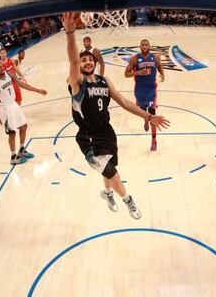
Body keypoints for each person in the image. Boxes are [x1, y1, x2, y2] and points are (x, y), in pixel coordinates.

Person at [62, 12, 170, 219]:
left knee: (109, 168)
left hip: (107, 132)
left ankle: (108, 193)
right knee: (110, 171)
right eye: (83, 60)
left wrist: (148, 117)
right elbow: (73, 63)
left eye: (89, 60)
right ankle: (128, 200)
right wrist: (70, 33)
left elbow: (125, 103)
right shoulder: (77, 83)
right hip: (88, 137)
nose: (86, 62)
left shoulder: (104, 81)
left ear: (94, 63)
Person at [0, 61, 47, 165]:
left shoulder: (8, 74)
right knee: (12, 132)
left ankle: (21, 150)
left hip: (13, 104)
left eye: (2, 66)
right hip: (5, 109)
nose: (2, 68)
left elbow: (21, 84)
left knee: (23, 126)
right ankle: (13, 157)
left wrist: (37, 90)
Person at [124, 39, 164, 151]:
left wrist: (162, 74)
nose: (145, 46)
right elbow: (126, 74)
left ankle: (154, 140)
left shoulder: (155, 57)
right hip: (139, 90)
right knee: (142, 110)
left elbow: (160, 66)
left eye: (147, 45)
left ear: (149, 46)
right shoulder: (135, 59)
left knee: (153, 115)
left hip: (151, 90)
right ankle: (145, 120)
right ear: (140, 46)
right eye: (143, 45)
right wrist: (138, 73)